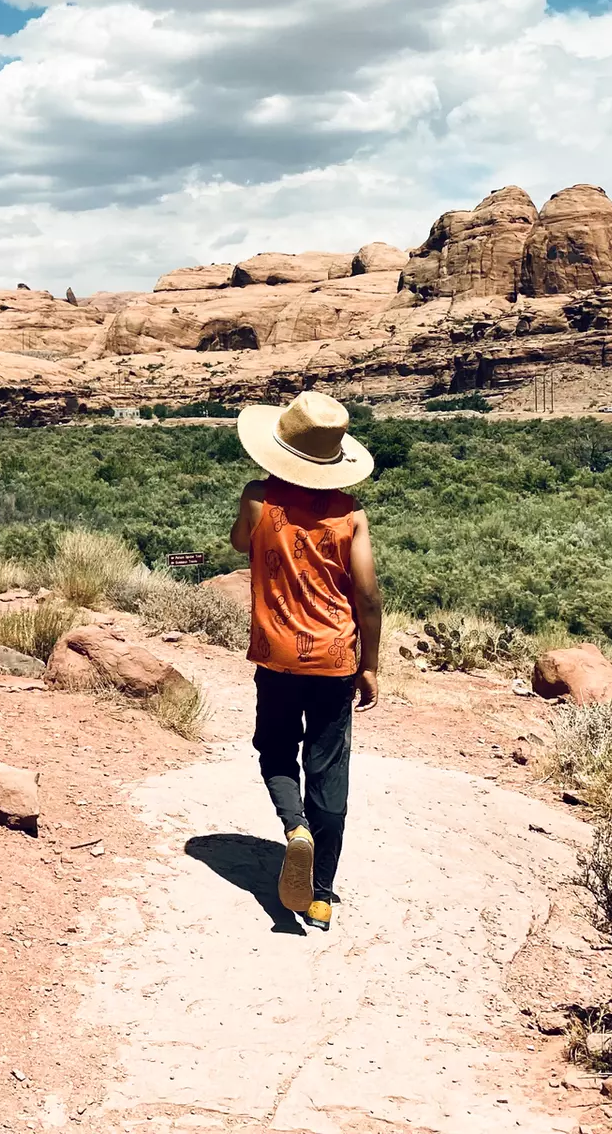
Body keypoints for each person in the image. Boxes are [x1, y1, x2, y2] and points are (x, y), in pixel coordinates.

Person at [229, 390, 381, 932]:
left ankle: (295, 828)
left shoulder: (256, 497)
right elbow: (367, 596)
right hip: (336, 659)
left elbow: (240, 544)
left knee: (274, 747)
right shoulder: (351, 514)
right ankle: (320, 897)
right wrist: (371, 662)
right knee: (328, 765)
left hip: (276, 656)